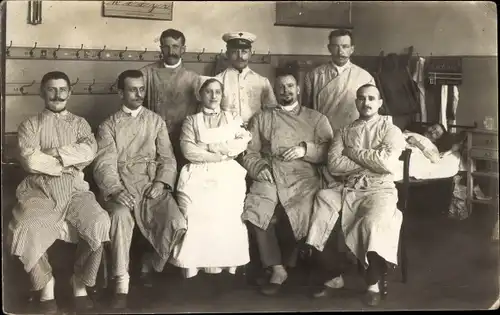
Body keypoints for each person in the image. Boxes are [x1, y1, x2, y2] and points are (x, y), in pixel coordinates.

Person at [7, 71, 111, 314]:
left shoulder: (80, 124)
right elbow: (31, 162)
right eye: (51, 89)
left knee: (99, 222)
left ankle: (80, 282)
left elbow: (88, 152)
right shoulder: (29, 125)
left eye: (62, 89)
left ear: (69, 93)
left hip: (75, 189)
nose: (57, 94)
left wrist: (53, 153)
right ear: (42, 92)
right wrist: (67, 158)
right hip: (39, 188)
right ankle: (45, 283)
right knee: (24, 226)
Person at [93, 70, 187, 309]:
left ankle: (151, 262)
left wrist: (161, 183)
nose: (139, 94)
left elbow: (167, 158)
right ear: (120, 92)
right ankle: (121, 280)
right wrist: (115, 190)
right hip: (122, 185)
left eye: (142, 89)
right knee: (120, 217)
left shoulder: (155, 121)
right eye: (132, 89)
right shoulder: (108, 126)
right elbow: (105, 163)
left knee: (177, 222)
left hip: (150, 185)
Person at [306, 84, 406, 306]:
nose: (366, 102)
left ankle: (373, 282)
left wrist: (351, 152)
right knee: (322, 204)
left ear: (380, 103)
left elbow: (386, 163)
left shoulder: (391, 130)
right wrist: (370, 160)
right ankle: (334, 276)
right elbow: (334, 165)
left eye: (371, 98)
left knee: (373, 222)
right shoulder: (344, 131)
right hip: (349, 188)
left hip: (380, 188)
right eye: (361, 98)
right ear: (356, 102)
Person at [241, 68, 333, 296]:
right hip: (270, 173)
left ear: (298, 89)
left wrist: (305, 150)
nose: (286, 91)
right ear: (275, 90)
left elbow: (329, 151)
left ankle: (307, 265)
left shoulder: (316, 118)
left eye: (290, 86)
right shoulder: (262, 118)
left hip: (303, 175)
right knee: (256, 208)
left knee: (306, 210)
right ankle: (277, 268)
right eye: (281, 87)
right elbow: (248, 152)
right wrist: (259, 168)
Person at [169, 77, 252, 278]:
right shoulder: (191, 121)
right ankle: (193, 265)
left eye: (217, 92)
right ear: (200, 95)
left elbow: (241, 143)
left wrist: (211, 147)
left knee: (227, 209)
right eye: (208, 92)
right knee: (197, 209)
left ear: (222, 95)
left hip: (227, 171)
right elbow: (189, 150)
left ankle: (227, 265)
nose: (213, 96)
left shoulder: (233, 118)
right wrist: (219, 154)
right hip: (199, 171)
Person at [140, 28, 201, 171]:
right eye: (166, 47)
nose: (171, 51)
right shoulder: (146, 73)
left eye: (175, 47)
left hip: (182, 139)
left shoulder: (193, 79)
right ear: (161, 48)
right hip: (152, 139)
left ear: (183, 49)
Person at [302, 29, 375, 130]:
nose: (340, 52)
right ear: (329, 48)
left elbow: (371, 113)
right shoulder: (314, 75)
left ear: (352, 49)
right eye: (336, 47)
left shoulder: (365, 77)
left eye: (345, 47)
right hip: (322, 133)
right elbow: (306, 111)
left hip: (354, 133)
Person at [216, 31, 277, 125]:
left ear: (250, 54)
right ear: (227, 54)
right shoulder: (217, 81)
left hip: (256, 132)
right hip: (227, 133)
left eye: (244, 52)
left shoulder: (262, 82)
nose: (240, 57)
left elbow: (271, 113)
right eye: (234, 52)